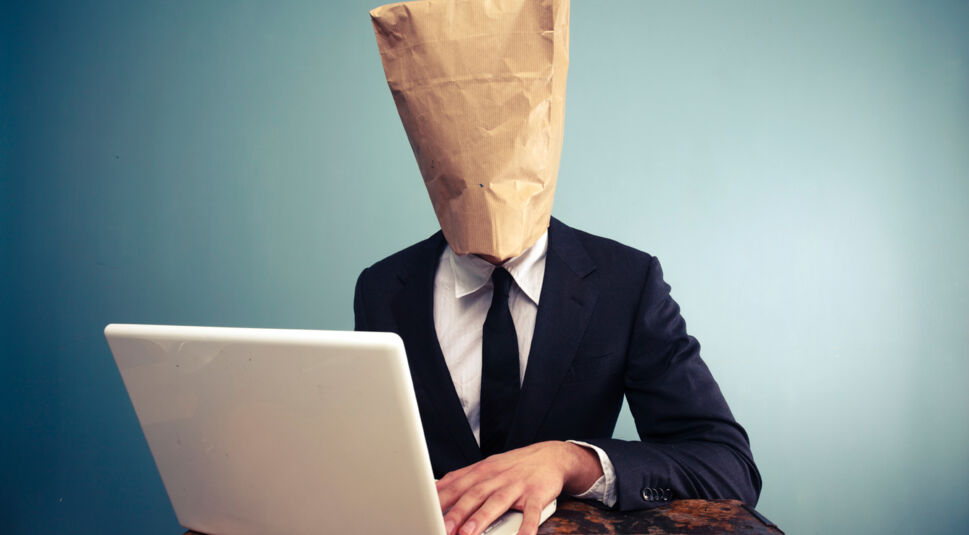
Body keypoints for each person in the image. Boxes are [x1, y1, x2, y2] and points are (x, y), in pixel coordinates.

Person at [358, 2, 761, 535]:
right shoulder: (384, 289)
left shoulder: (626, 282)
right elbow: (375, 460)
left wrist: (571, 461)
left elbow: (727, 466)